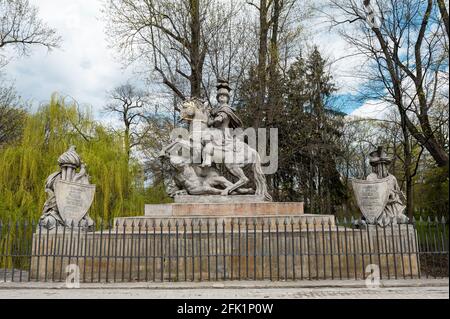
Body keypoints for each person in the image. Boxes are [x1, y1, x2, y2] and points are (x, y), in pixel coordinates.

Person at [201, 79, 243, 167]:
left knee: (207, 135)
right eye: (220, 96)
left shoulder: (226, 109)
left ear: (227, 98)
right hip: (216, 130)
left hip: (224, 132)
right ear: (217, 98)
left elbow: (217, 121)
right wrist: (205, 110)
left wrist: (212, 121)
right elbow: (210, 119)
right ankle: (206, 158)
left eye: (224, 96)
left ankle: (208, 159)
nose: (222, 97)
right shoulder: (215, 109)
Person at [367, 146, 409, 224]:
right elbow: (370, 197)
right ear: (375, 166)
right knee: (380, 219)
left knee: (404, 219)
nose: (381, 167)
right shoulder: (371, 177)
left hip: (394, 208)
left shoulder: (392, 178)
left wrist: (399, 196)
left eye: (384, 164)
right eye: (378, 165)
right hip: (379, 209)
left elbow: (398, 193)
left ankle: (395, 217)